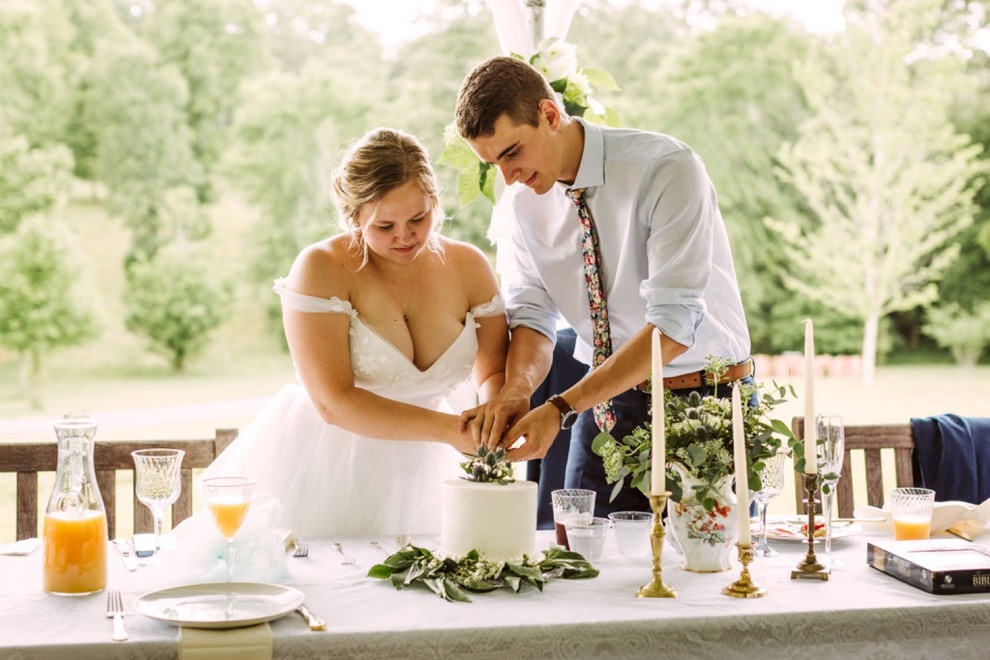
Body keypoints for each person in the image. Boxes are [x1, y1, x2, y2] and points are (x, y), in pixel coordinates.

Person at [454, 56, 752, 518]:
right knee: (579, 569)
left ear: (549, 115)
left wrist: (559, 408)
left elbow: (672, 326)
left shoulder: (667, 169)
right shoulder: (521, 206)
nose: (508, 177)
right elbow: (532, 315)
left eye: (512, 152)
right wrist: (517, 390)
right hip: (603, 406)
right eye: (493, 163)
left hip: (704, 404)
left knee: (710, 577)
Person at [203, 127, 508, 538]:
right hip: (329, 463)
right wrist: (453, 432)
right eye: (384, 226)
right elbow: (335, 402)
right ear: (354, 216)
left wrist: (489, 419)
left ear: (435, 201)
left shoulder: (469, 265)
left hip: (433, 467)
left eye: (419, 217)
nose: (405, 236)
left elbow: (493, 372)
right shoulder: (320, 268)